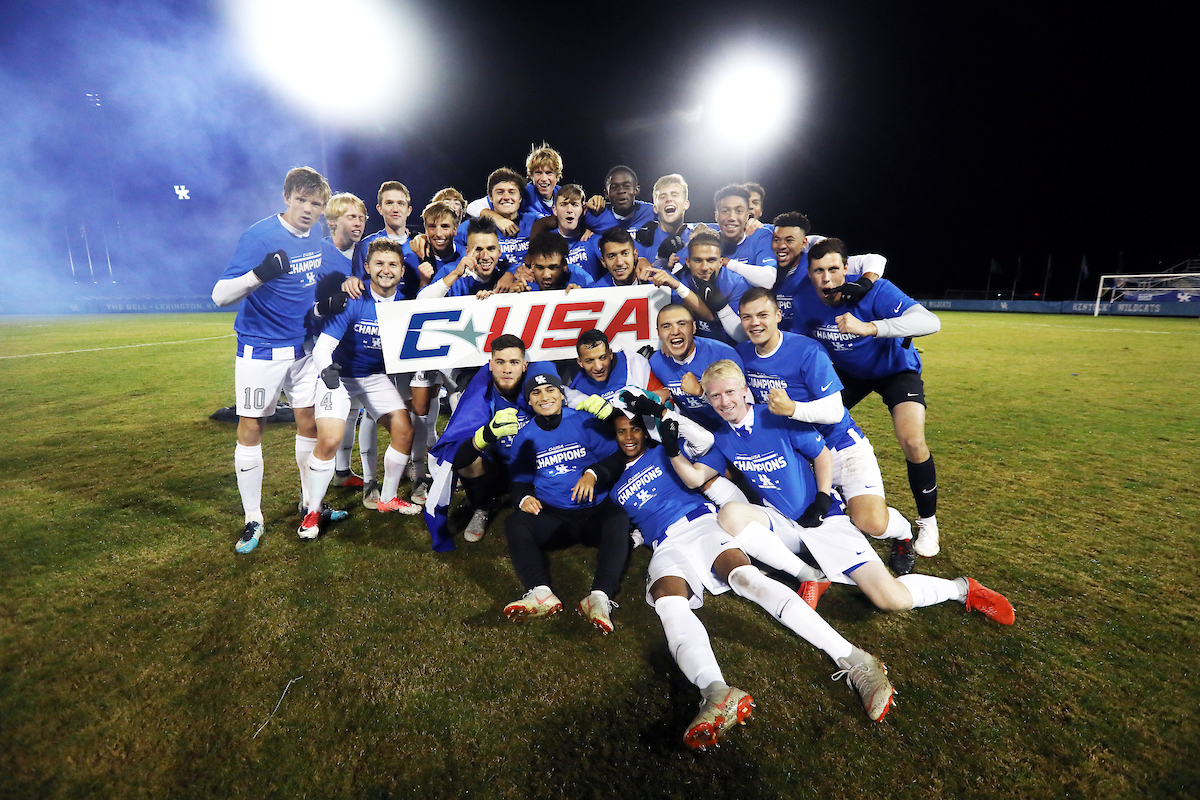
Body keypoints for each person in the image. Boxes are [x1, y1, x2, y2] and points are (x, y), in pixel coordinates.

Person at [580, 413, 898, 747]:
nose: (629, 436)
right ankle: (716, 692)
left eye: (634, 429)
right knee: (666, 602)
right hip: (665, 544)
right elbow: (624, 526)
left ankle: (855, 659)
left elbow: (703, 444)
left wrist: (669, 427)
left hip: (702, 525)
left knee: (745, 578)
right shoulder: (613, 487)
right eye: (621, 432)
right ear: (613, 437)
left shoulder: (664, 451)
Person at [690, 361, 1009, 626]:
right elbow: (695, 477)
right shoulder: (721, 436)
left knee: (890, 599)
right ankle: (810, 575)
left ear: (745, 389)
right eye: (715, 396)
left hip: (821, 520)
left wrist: (823, 498)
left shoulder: (776, 418)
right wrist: (670, 442)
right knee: (729, 514)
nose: (724, 401)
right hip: (784, 524)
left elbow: (822, 454)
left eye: (730, 391)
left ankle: (961, 588)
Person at [735, 287, 917, 575]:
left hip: (840, 445)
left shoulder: (806, 350)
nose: (755, 322)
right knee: (801, 518)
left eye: (762, 315)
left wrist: (792, 409)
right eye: (747, 317)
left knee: (870, 523)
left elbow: (834, 411)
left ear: (778, 316)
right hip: (799, 454)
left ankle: (903, 532)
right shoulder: (742, 354)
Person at [794, 238, 945, 558]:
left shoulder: (876, 290)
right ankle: (821, 504)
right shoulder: (805, 300)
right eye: (818, 270)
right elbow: (803, 343)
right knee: (808, 427)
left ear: (847, 269)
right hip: (848, 373)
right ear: (809, 274)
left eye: (834, 269)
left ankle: (928, 522)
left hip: (895, 370)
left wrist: (870, 327)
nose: (826, 278)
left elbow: (931, 322)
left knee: (912, 440)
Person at [210, 166, 334, 554]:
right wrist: (259, 274)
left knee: (308, 423)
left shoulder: (316, 240)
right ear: (287, 198)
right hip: (260, 349)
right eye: (301, 200)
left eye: (316, 204)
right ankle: (253, 519)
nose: (308, 209)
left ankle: (308, 504)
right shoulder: (259, 236)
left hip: (302, 351)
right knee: (251, 428)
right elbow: (219, 296)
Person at [301, 239, 422, 539]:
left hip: (373, 376)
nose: (386, 270)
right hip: (339, 376)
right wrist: (325, 371)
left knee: (405, 432)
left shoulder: (406, 304)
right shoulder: (352, 299)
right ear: (367, 268)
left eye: (392, 264)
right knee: (329, 440)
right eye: (379, 263)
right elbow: (323, 347)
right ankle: (312, 511)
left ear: (402, 270)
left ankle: (387, 498)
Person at [500, 369, 630, 632]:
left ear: (561, 394)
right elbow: (519, 479)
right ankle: (540, 592)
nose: (544, 397)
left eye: (550, 390)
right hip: (555, 515)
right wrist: (523, 497)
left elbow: (616, 457)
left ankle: (599, 597)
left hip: (593, 511)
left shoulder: (584, 421)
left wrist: (593, 474)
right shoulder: (525, 437)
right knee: (515, 523)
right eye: (536, 392)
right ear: (529, 401)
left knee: (619, 520)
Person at [424, 335, 556, 548]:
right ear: (490, 365)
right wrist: (487, 434)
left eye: (513, 362)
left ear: (524, 366)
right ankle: (481, 507)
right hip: (496, 468)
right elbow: (455, 458)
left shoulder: (541, 391)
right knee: (468, 461)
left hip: (534, 466)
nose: (507, 369)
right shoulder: (478, 396)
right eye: (500, 362)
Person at [320, 192, 370, 490]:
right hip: (326, 341)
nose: (359, 223)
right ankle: (316, 488)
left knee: (355, 409)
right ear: (332, 221)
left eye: (362, 218)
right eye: (351, 216)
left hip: (359, 341)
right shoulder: (318, 253)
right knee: (332, 411)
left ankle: (342, 471)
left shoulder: (364, 250)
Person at [769, 212, 885, 332]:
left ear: (804, 243)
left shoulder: (817, 264)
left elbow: (875, 259)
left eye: (789, 240)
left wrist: (864, 282)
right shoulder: (763, 266)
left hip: (812, 336)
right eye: (776, 240)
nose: (781, 246)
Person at [673, 226, 750, 345]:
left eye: (711, 260)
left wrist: (722, 307)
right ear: (688, 262)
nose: (704, 267)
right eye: (698, 260)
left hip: (732, 350)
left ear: (720, 262)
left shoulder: (736, 283)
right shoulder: (681, 279)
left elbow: (742, 336)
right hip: (697, 349)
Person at [455, 167, 539, 268]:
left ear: (520, 198)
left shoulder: (534, 221)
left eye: (512, 192)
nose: (506, 197)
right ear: (490, 197)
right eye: (500, 192)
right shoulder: (473, 226)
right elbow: (452, 247)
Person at [709, 184, 777, 289]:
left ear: (747, 216)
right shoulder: (706, 239)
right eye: (725, 211)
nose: (732, 217)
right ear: (716, 216)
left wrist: (726, 262)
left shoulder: (761, 235)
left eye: (739, 211)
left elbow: (768, 280)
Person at [633, 173, 694, 269]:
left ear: (686, 204)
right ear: (655, 208)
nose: (669, 199)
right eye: (662, 196)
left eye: (674, 195)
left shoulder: (697, 236)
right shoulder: (640, 242)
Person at [582, 165, 656, 234]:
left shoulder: (652, 212)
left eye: (627, 186)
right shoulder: (594, 215)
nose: (621, 191)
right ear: (606, 194)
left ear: (636, 190)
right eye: (614, 187)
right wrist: (584, 230)